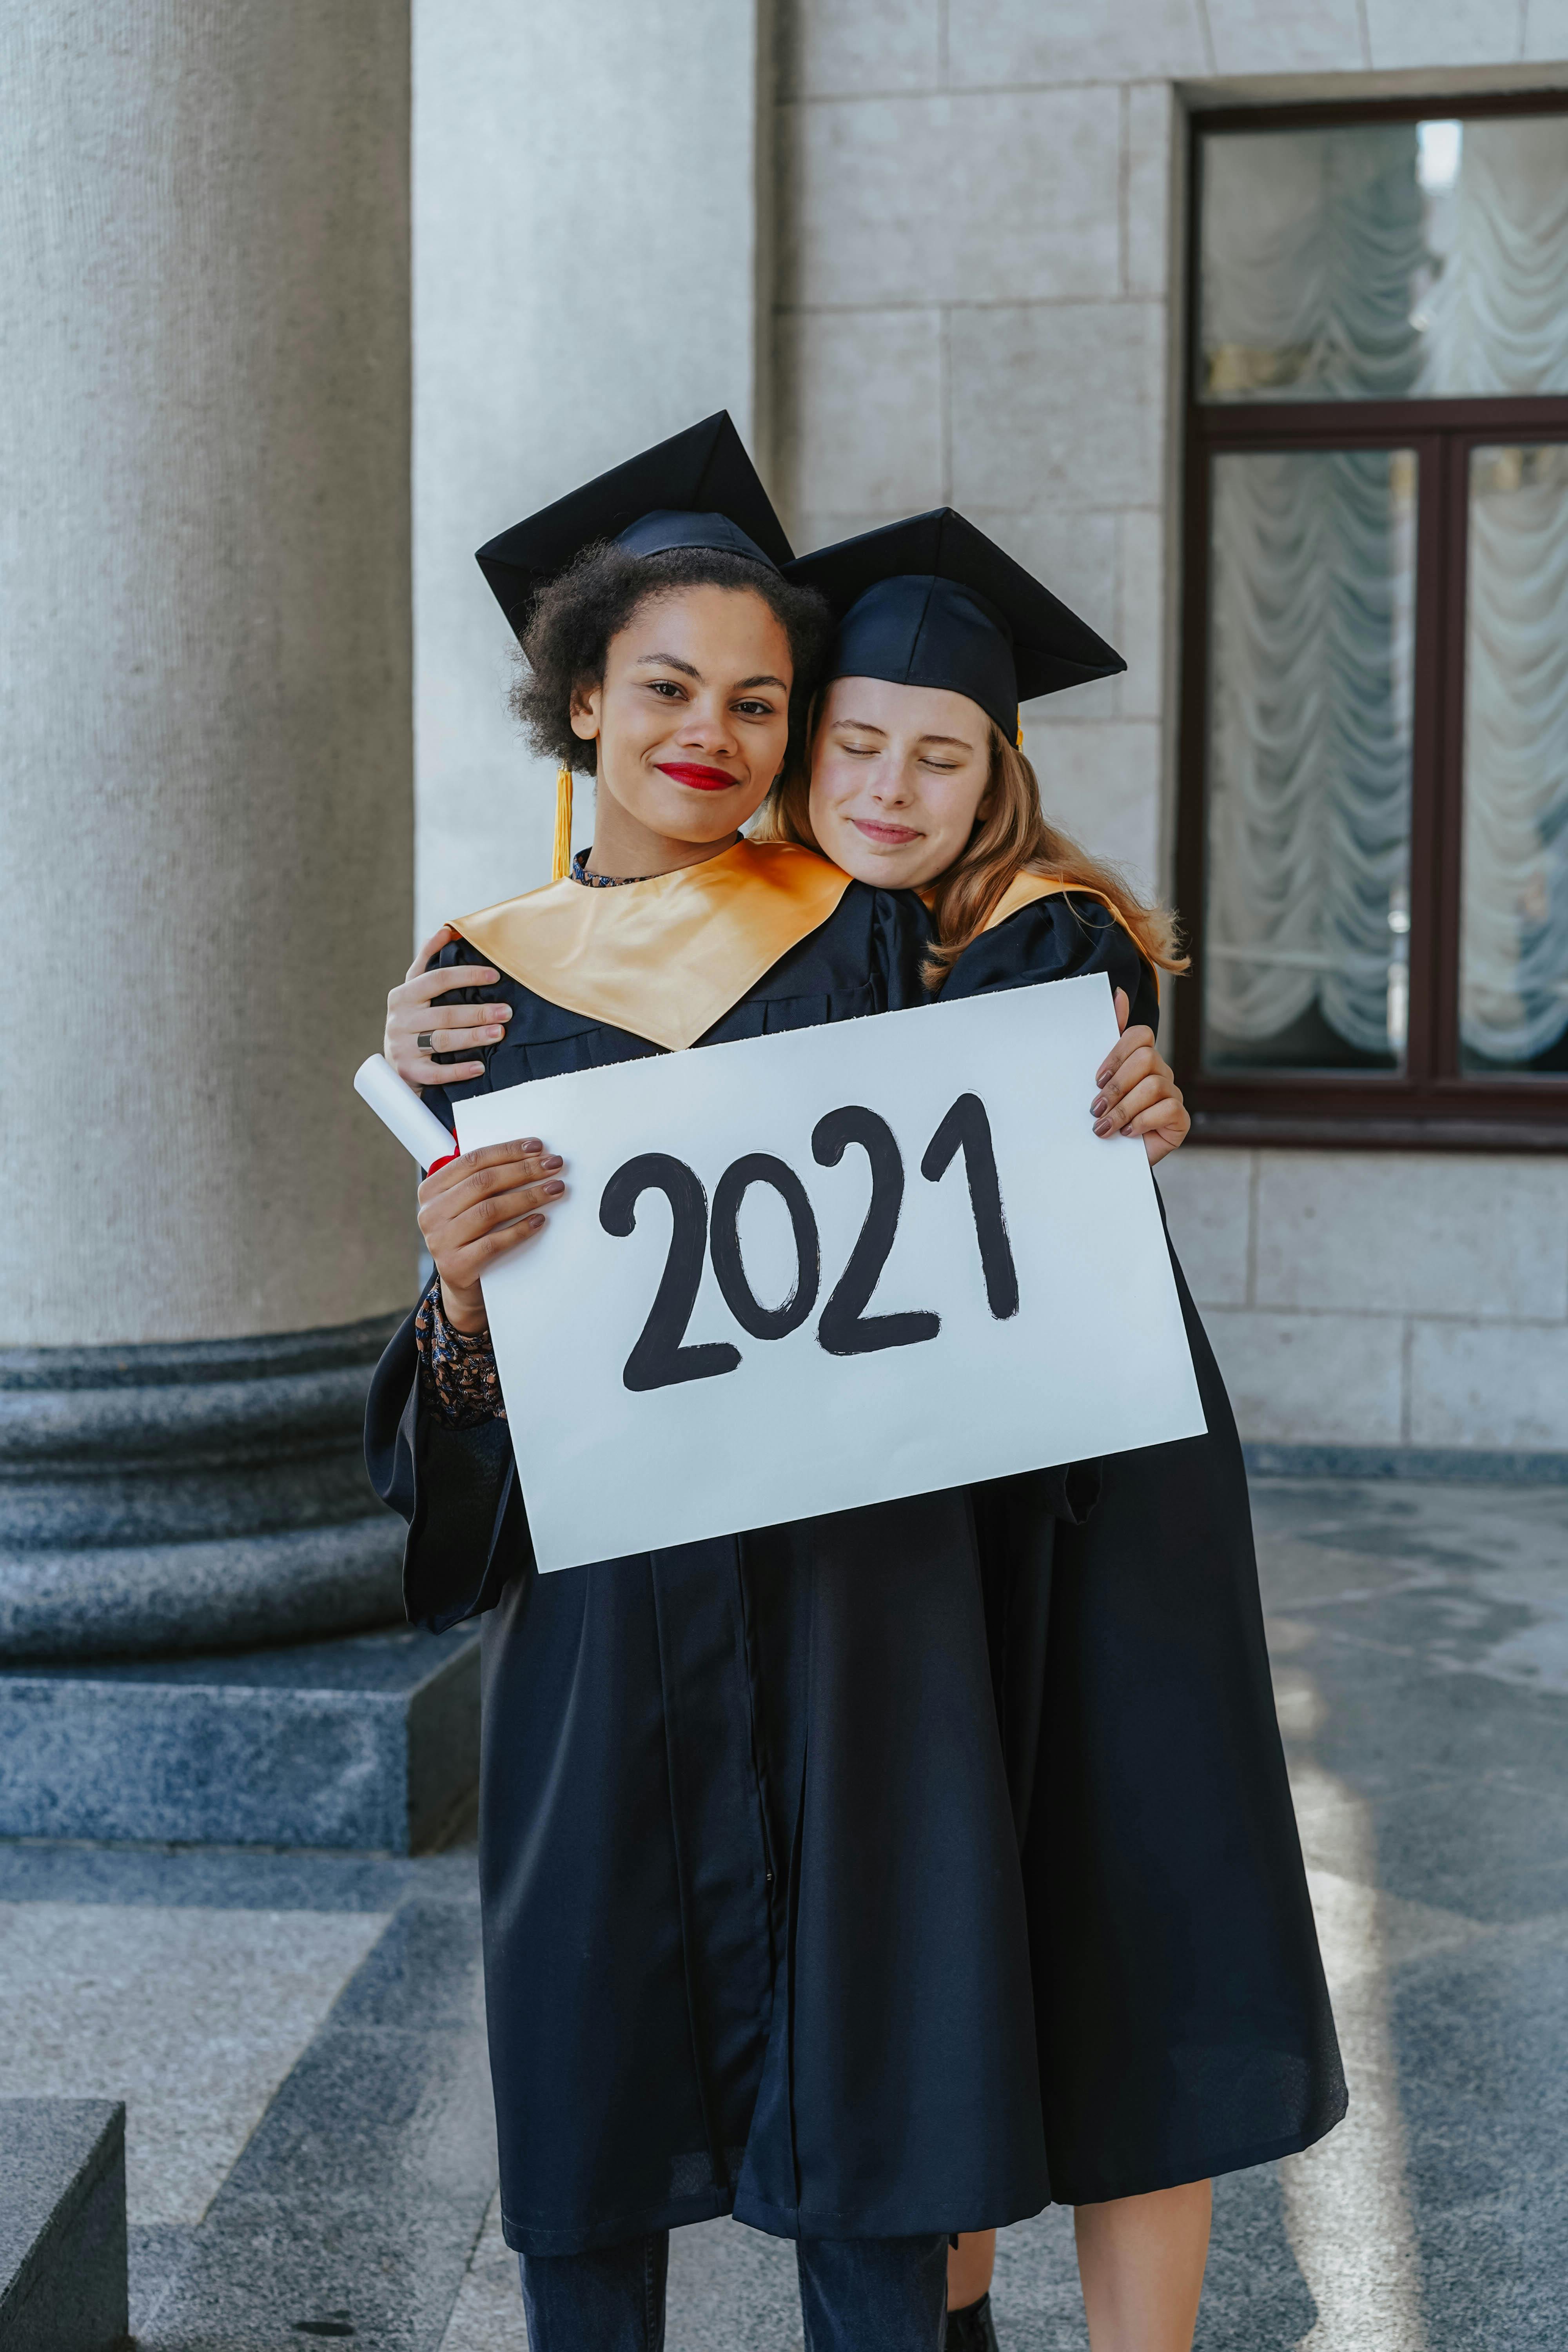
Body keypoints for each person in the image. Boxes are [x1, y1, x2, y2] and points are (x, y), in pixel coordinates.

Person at [366, 418, 1060, 2352]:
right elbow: (458, 1416)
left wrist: (1124, 1100)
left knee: (880, 2084)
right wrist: (461, 1301)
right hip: (603, 1625)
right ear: (581, 699)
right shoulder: (472, 980)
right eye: (667, 686)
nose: (715, 732)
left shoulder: (878, 937)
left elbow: (1019, 1196)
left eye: (762, 702)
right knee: (592, 2062)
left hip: (863, 1599)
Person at [772, 508, 1347, 2352]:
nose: (890, 783)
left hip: (1095, 1506)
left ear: (995, 774)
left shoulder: (1057, 937)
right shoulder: (780, 930)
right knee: (956, 1943)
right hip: (915, 1523)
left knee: (1117, 1914)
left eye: (938, 755)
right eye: (855, 741)